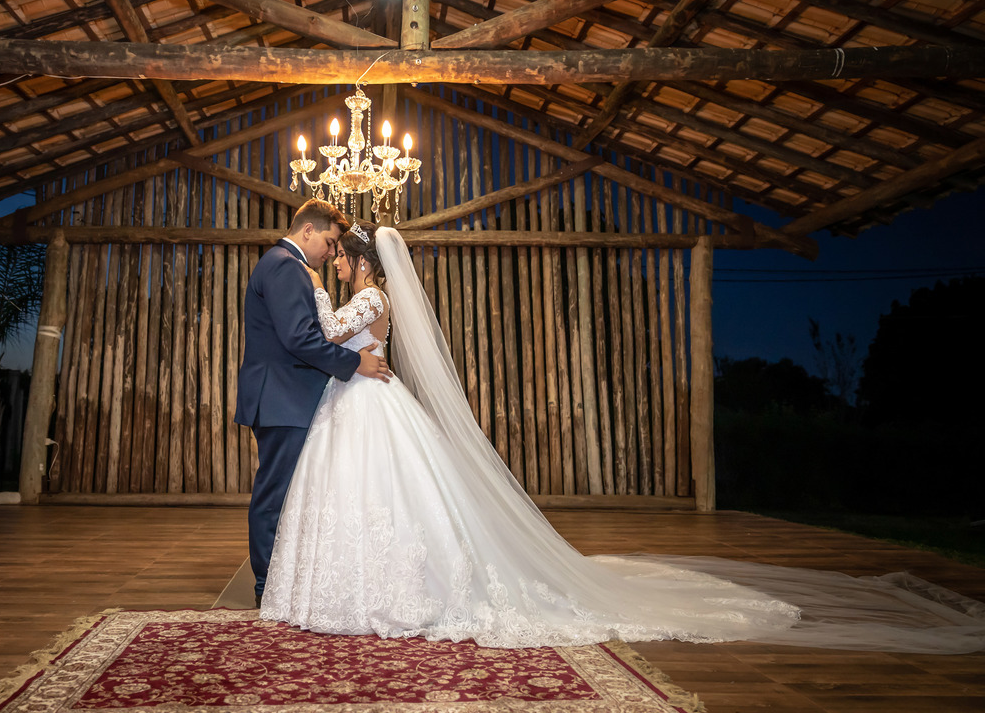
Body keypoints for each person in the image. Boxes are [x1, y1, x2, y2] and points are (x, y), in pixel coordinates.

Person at [260, 221, 985, 654]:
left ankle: (386, 593)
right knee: (383, 501)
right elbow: (335, 343)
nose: (335, 264)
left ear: (357, 263)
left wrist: (324, 301)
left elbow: (322, 333)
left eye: (339, 260)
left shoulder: (365, 296)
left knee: (386, 500)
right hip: (356, 399)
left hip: (364, 403)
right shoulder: (371, 294)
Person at [234, 199, 391, 609]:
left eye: (338, 246)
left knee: (294, 495)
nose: (330, 252)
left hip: (292, 397)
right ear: (307, 231)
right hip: (283, 396)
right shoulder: (287, 264)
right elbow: (300, 339)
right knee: (276, 496)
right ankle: (267, 586)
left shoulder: (284, 263)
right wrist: (355, 362)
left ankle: (289, 579)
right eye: (328, 241)